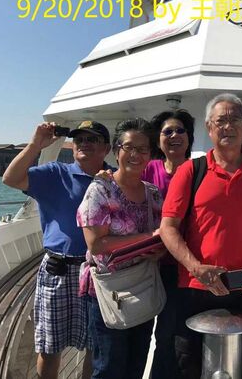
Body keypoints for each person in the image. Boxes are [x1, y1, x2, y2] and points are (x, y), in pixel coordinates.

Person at [158, 93, 242, 379]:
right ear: (209, 127)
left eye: (235, 119)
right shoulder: (191, 171)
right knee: (189, 363)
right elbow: (168, 227)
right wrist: (195, 267)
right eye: (221, 121)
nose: (228, 126)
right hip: (197, 286)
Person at [2, 120, 112, 379]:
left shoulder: (114, 179)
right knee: (50, 346)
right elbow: (10, 179)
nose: (84, 143)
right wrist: (35, 145)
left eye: (92, 139)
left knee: (95, 345)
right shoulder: (55, 173)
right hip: (58, 272)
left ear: (106, 148)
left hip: (98, 272)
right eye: (79, 139)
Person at [77, 118, 163, 379]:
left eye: (143, 149)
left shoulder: (152, 193)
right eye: (129, 147)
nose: (135, 154)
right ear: (116, 150)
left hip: (142, 285)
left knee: (136, 364)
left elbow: (160, 234)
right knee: (109, 368)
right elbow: (96, 244)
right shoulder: (100, 190)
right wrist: (146, 236)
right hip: (109, 290)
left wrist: (159, 250)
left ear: (150, 154)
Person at [144, 109, 195, 379]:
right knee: (142, 331)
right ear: (158, 139)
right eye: (167, 131)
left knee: (170, 332)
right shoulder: (148, 169)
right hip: (146, 265)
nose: (174, 135)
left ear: (189, 137)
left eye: (180, 130)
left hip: (180, 267)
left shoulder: (198, 171)